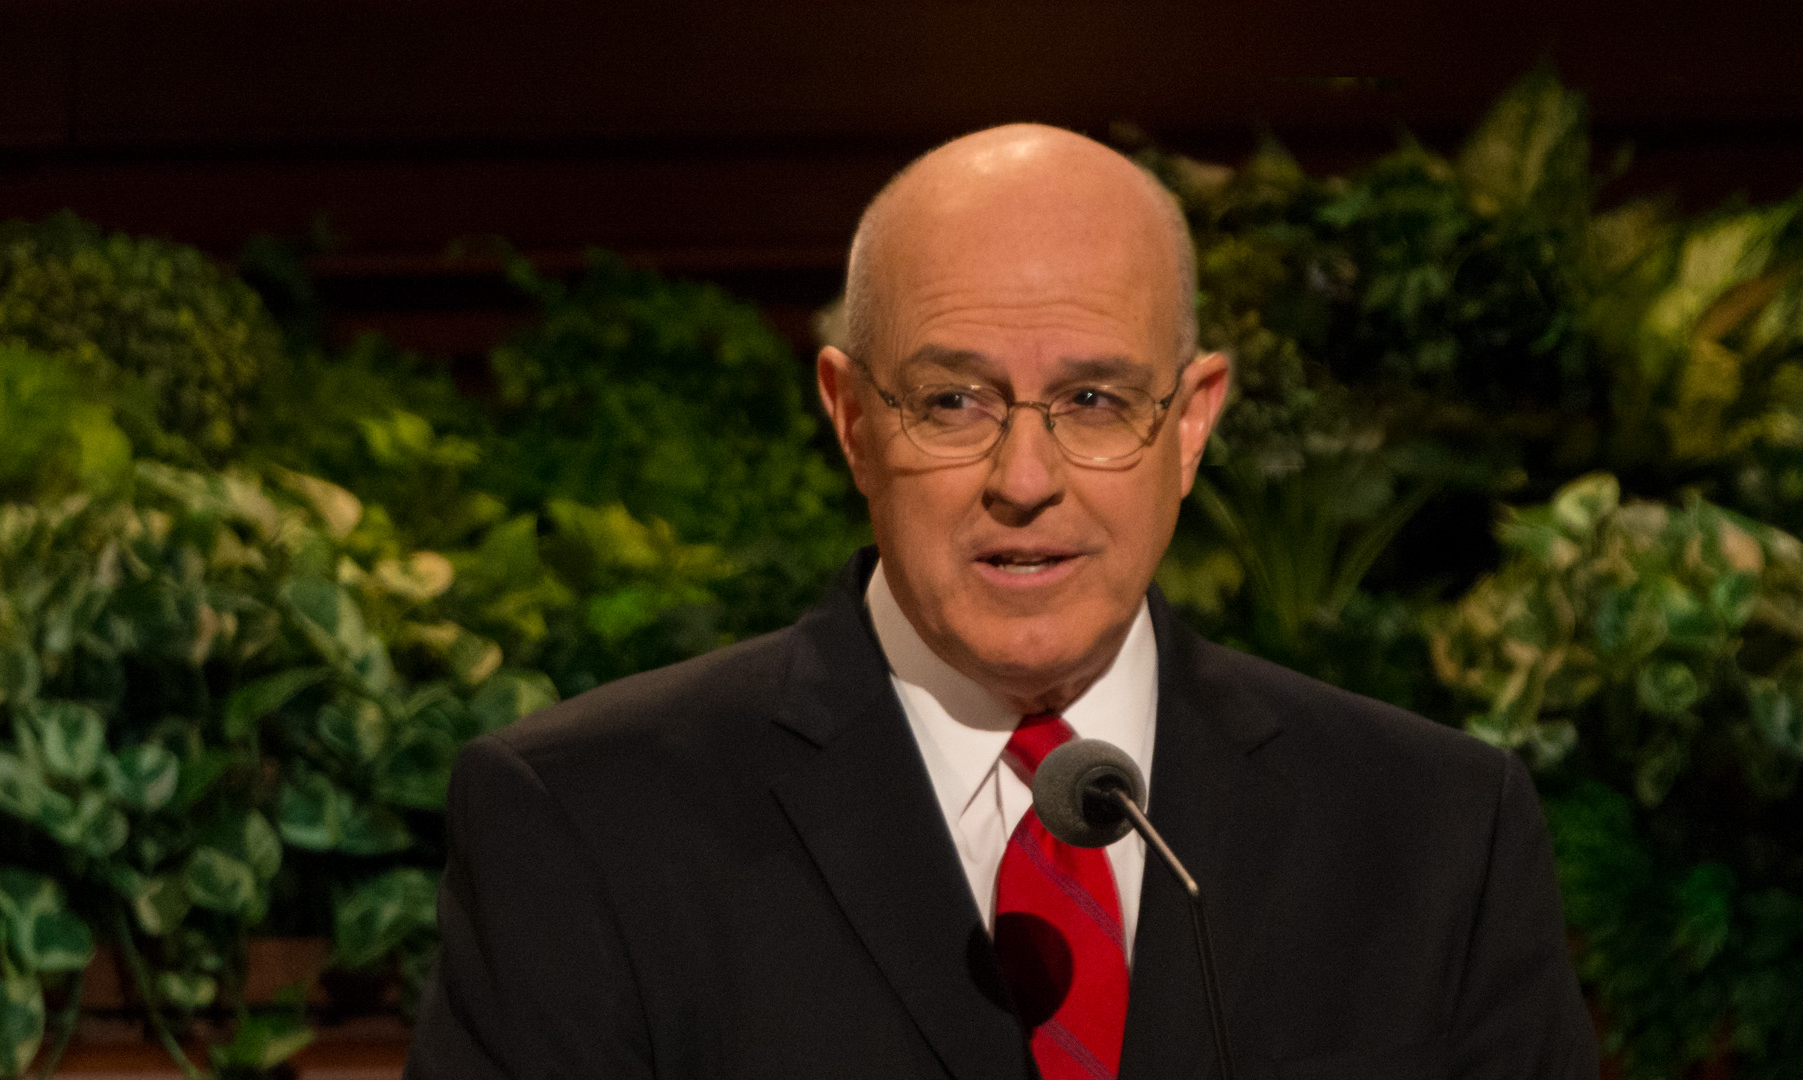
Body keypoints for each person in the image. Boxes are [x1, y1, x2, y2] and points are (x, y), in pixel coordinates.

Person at [405, 124, 1599, 1080]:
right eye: (952, 402)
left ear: (1191, 424)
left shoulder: (1437, 833)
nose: (1025, 481)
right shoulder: (587, 823)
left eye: (1094, 401)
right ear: (852, 419)